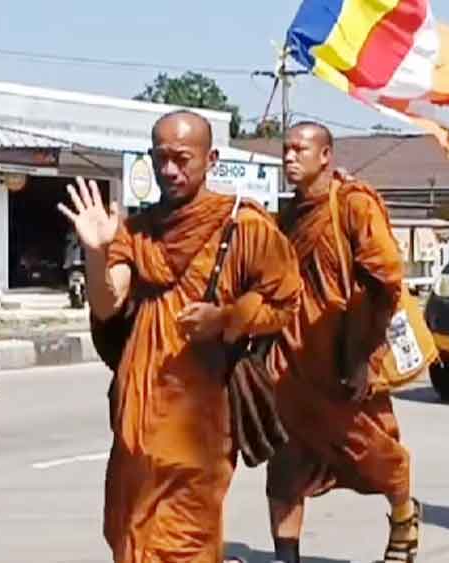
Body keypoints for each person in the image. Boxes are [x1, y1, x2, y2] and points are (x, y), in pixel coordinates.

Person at [60, 110, 301, 563]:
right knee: (128, 527)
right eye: (160, 158)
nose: (169, 170)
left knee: (184, 538)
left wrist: (225, 318)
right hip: (139, 410)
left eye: (181, 159)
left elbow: (284, 304)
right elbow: (108, 303)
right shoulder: (137, 231)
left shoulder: (243, 226)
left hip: (201, 416)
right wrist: (96, 253)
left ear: (211, 159)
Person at [267, 122, 418, 563]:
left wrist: (364, 355)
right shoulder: (289, 215)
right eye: (286, 149)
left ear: (326, 156)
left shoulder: (353, 205)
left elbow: (386, 281)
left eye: (300, 149)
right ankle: (286, 555)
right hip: (293, 363)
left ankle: (404, 517)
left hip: (344, 359)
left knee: (375, 454)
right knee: (287, 460)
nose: (289, 157)